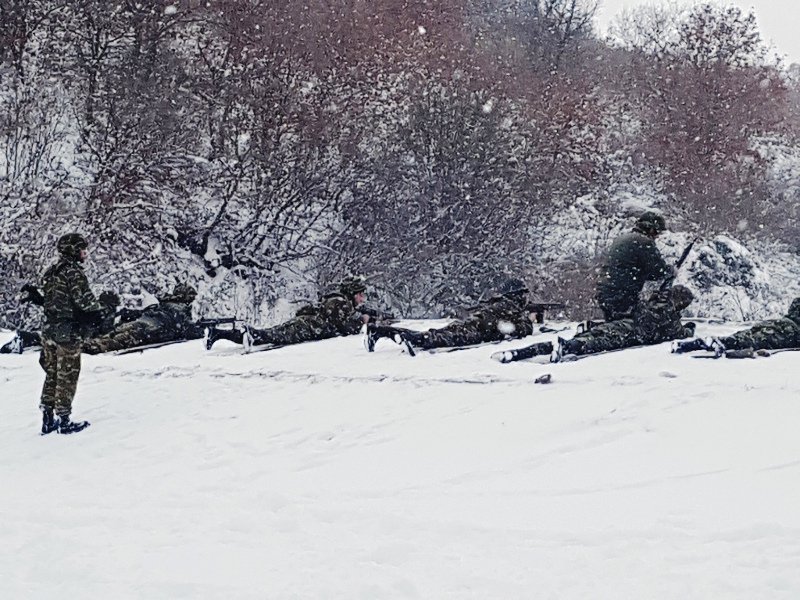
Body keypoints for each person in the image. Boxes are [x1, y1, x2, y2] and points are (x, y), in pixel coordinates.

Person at [38, 233, 104, 435]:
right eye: (82, 249)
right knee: (67, 375)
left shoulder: (52, 271)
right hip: (68, 332)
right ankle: (64, 420)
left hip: (49, 330)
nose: (85, 253)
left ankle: (48, 418)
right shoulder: (73, 273)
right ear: (73, 251)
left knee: (52, 373)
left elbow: (49, 299)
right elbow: (85, 301)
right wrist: (99, 314)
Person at [523, 285, 694, 361]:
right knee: (599, 343)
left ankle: (534, 350)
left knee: (594, 334)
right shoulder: (668, 311)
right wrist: (689, 329)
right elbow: (677, 333)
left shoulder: (653, 302)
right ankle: (568, 347)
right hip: (631, 334)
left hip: (624, 324)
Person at [366, 277, 536, 352]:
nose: (525, 299)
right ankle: (399, 336)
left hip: (471, 326)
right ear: (516, 295)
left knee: (433, 335)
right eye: (523, 295)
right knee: (432, 339)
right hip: (475, 331)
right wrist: (530, 319)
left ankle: (381, 331)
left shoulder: (501, 304)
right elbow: (521, 330)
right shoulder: (508, 306)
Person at [205, 276, 375, 350]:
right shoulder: (340, 302)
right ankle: (241, 333)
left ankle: (218, 334)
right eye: (360, 294)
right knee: (267, 336)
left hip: (305, 325)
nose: (362, 298)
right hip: (306, 327)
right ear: (352, 293)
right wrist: (362, 320)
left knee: (267, 335)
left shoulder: (339, 301)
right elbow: (344, 327)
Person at [595, 211, 673, 322]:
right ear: (651, 229)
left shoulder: (622, 239)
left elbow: (638, 270)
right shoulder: (644, 242)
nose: (657, 236)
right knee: (637, 326)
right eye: (657, 232)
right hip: (622, 295)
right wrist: (671, 271)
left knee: (615, 324)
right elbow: (658, 272)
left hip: (605, 292)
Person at [82, 283, 202, 354]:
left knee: (118, 332)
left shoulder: (164, 303)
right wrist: (199, 328)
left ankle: (91, 343)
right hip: (154, 329)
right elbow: (190, 331)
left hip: (144, 321)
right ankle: (95, 346)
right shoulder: (180, 309)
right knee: (124, 338)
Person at [1, 290, 121, 354]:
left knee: (47, 341)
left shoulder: (93, 309)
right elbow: (105, 329)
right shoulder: (102, 312)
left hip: (68, 333)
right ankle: (26, 339)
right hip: (73, 338)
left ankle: (27, 338)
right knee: (49, 344)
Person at [673, 298, 800, 357]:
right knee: (751, 340)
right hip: (790, 330)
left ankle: (704, 343)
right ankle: (720, 343)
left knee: (746, 335)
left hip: (777, 322)